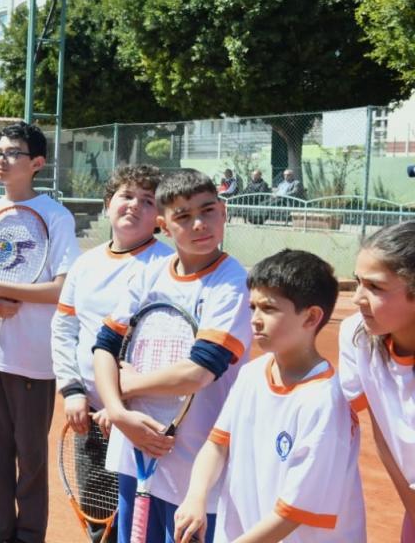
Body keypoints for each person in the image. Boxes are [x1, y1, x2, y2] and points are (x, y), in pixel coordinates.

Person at [92, 169, 252, 543]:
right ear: (163, 225)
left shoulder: (231, 283)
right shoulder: (148, 275)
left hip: (196, 468)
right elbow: (104, 345)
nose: (199, 224)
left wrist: (129, 383)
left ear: (224, 211)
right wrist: (117, 411)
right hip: (134, 448)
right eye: (183, 216)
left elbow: (199, 371)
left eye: (207, 210)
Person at [175, 250, 365, 543]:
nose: (255, 320)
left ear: (311, 317)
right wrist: (195, 497)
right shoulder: (252, 374)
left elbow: (294, 513)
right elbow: (217, 445)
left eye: (269, 308)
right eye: (252, 307)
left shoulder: (324, 401)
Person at [0, 121, 81, 543]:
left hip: (33, 360)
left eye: (12, 152)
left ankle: (29, 535)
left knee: (30, 459)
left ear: (36, 163)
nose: (1, 159)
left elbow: (63, 288)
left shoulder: (56, 216)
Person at [50, 165, 171, 541]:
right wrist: (72, 391)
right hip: (87, 416)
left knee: (139, 522)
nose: (134, 206)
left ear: (160, 218)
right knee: (97, 514)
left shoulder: (165, 266)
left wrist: (118, 404)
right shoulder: (85, 264)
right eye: (126, 196)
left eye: (147, 201)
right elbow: (63, 328)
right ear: (107, 205)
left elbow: (164, 345)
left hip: (139, 419)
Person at [339, 222, 415, 543]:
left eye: (375, 287)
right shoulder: (357, 335)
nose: (357, 298)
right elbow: (382, 432)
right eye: (358, 282)